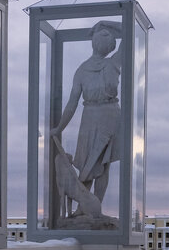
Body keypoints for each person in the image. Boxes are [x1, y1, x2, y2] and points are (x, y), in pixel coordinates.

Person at [50, 20, 123, 210]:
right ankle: (85, 208)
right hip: (91, 117)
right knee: (87, 165)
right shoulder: (83, 70)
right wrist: (59, 128)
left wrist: (105, 23)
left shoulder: (112, 63)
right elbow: (71, 104)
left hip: (109, 117)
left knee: (102, 164)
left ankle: (90, 209)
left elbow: (130, 35)